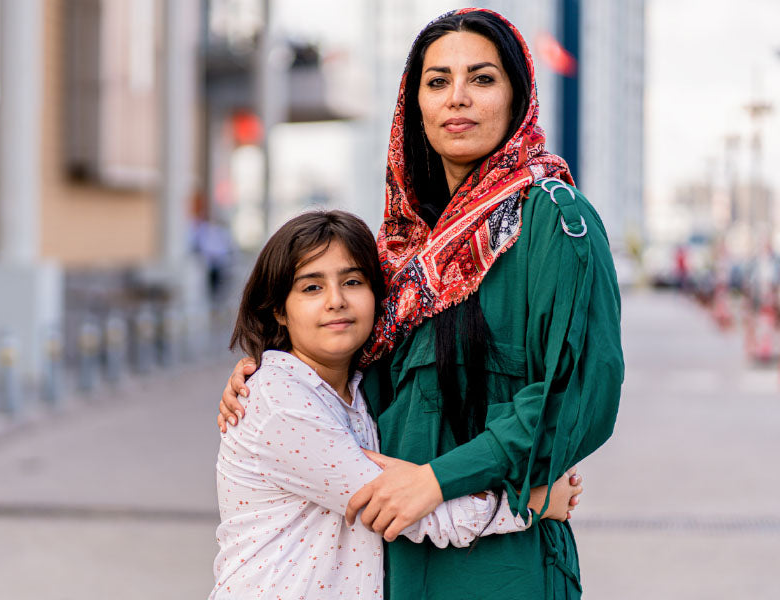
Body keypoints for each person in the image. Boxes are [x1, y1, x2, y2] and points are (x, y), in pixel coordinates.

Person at [219, 8, 623, 599]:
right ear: (416, 107)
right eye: (437, 82)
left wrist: (437, 480)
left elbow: (579, 394)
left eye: (482, 78)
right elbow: (343, 360)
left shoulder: (551, 222)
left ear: (517, 96)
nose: (457, 97)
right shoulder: (403, 249)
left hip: (497, 567)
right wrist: (261, 372)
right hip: (394, 564)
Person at [210, 210, 581, 600]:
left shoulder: (362, 387)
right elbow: (403, 508)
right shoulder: (279, 400)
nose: (336, 301)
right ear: (279, 310)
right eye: (312, 288)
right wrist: (531, 503)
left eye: (353, 282)